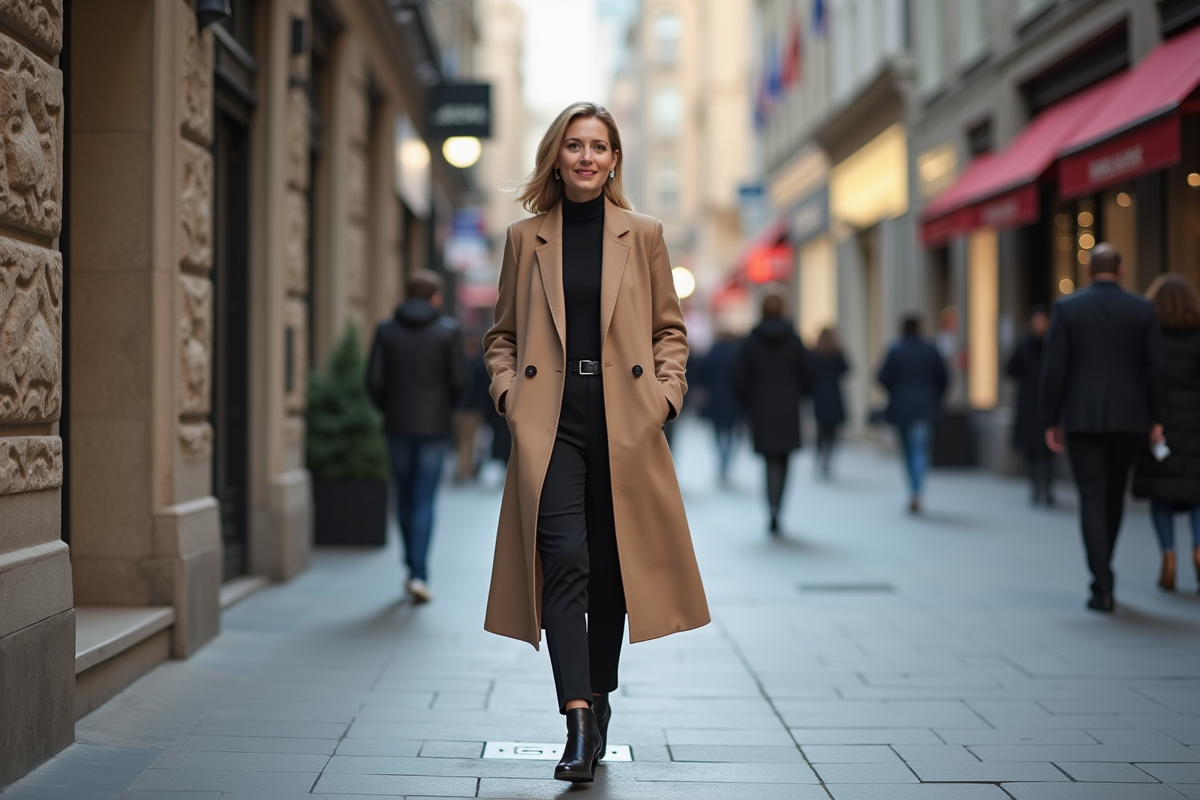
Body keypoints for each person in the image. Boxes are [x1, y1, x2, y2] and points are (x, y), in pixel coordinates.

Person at [482, 102, 709, 783]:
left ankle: (601, 692)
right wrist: (509, 397)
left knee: (611, 572)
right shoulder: (527, 239)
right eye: (574, 145)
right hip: (550, 419)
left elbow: (670, 330)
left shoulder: (643, 235)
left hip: (623, 418)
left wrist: (664, 398)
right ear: (556, 155)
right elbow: (502, 337)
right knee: (566, 560)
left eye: (599, 147)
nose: (586, 157)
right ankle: (578, 720)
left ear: (614, 161)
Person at [1042, 243, 1165, 613]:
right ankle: (1104, 572)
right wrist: (1157, 417)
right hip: (1129, 416)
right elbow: (1155, 366)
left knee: (1092, 497)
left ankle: (1102, 582)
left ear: (1089, 271)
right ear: (1122, 270)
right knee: (1113, 497)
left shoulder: (1067, 308)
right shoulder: (1142, 309)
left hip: (1082, 417)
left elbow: (1056, 368)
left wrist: (1051, 418)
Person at [367, 270, 468, 604]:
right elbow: (459, 381)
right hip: (434, 428)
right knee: (424, 498)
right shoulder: (448, 332)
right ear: (435, 297)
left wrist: (389, 409)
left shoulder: (386, 330)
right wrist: (445, 409)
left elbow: (375, 380)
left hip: (397, 425)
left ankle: (411, 566)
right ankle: (418, 573)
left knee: (404, 497)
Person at [1131, 275, 1200, 592]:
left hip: (1160, 425)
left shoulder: (1149, 335)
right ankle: (1199, 550)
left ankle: (1169, 556)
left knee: (1162, 494)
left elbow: (1141, 380)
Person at [732, 292, 815, 535]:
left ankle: (771, 508)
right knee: (784, 459)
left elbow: (738, 376)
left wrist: (750, 399)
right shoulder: (794, 339)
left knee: (769, 461)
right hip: (788, 407)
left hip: (762, 407)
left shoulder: (752, 341)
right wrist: (797, 394)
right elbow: (809, 373)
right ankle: (779, 508)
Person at [877, 314, 949, 514]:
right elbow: (944, 378)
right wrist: (934, 397)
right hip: (925, 407)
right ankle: (918, 491)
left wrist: (896, 391)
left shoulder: (896, 350)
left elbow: (882, 377)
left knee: (908, 451)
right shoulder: (930, 349)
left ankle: (913, 490)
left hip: (902, 407)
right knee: (920, 449)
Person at [1006, 306, 1055, 505]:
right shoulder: (1024, 345)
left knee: (1047, 449)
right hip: (1028, 403)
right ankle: (1035, 485)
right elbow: (1010, 369)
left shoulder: (1053, 345)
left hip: (1048, 401)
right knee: (1031, 449)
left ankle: (1047, 486)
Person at [694, 331, 743, 485]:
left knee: (717, 433)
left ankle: (722, 461)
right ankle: (726, 463)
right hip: (734, 400)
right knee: (732, 432)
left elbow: (701, 374)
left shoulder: (712, 354)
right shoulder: (737, 354)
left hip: (715, 400)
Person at [811, 327, 849, 480]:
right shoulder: (837, 353)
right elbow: (846, 370)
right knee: (832, 433)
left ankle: (820, 458)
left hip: (819, 396)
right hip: (833, 395)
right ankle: (828, 459)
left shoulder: (815, 354)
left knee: (821, 431)